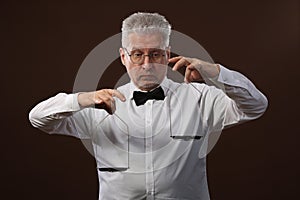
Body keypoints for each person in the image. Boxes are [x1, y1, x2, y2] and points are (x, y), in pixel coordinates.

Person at [29, 12, 268, 200]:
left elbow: (256, 106)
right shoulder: (98, 104)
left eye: (154, 54)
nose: (146, 64)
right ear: (123, 57)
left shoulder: (199, 98)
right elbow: (38, 118)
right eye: (137, 55)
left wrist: (215, 71)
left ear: (166, 55)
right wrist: (82, 99)